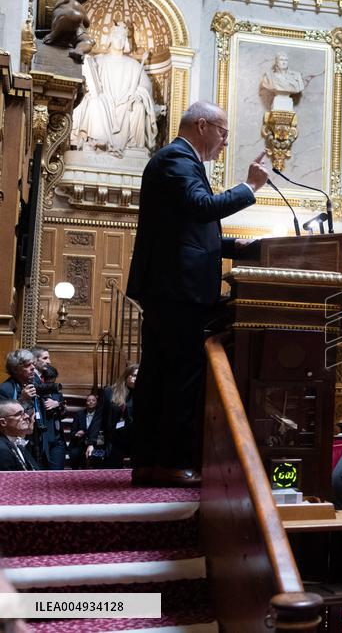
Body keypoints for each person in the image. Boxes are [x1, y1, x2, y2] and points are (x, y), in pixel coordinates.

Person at [126, 101, 268, 487]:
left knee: (159, 375)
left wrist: (238, 248)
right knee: (180, 378)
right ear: (202, 125)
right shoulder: (178, 159)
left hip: (171, 287)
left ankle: (149, 462)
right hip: (178, 289)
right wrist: (250, 187)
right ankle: (170, 462)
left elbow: (188, 230)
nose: (225, 141)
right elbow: (202, 207)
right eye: (223, 132)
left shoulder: (180, 161)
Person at [72, 23, 163, 156]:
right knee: (94, 102)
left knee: (138, 106)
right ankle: (97, 142)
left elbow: (145, 87)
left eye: (122, 38)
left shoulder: (134, 65)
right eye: (116, 37)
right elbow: (87, 81)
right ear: (110, 39)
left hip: (126, 105)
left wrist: (138, 94)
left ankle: (134, 147)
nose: (119, 41)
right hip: (104, 102)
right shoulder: (98, 60)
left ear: (126, 41)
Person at [0, 349, 62, 470]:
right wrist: (22, 399)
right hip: (18, 440)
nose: (33, 368)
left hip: (38, 437)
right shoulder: (6, 389)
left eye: (33, 364)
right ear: (15, 369)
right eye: (28, 365)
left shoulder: (34, 382)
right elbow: (4, 416)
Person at [102, 364, 138, 469]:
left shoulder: (143, 393)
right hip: (115, 438)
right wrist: (91, 442)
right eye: (134, 375)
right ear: (127, 376)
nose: (137, 378)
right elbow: (100, 417)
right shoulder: (109, 392)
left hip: (135, 438)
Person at [0, 400, 38, 471]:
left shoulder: (17, 442)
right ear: (3, 422)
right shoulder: (2, 450)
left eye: (25, 413)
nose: (27, 416)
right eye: (19, 414)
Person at [69, 392, 104, 469]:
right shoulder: (79, 414)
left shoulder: (100, 415)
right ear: (86, 403)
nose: (91, 402)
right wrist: (76, 434)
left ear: (97, 402)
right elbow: (72, 432)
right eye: (89, 400)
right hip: (80, 443)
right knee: (74, 453)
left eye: (93, 400)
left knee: (96, 455)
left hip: (96, 443)